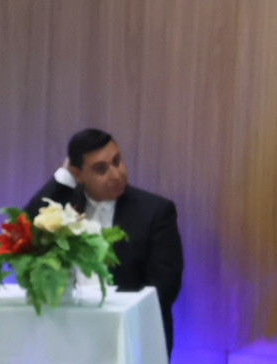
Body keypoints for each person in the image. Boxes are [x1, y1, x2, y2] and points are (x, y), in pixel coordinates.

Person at [26, 129, 181, 347]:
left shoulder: (155, 211)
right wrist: (63, 177)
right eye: (101, 169)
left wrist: (115, 317)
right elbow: (24, 231)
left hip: (130, 334)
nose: (116, 174)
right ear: (78, 174)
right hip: (66, 332)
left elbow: (165, 286)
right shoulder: (63, 206)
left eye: (117, 161)